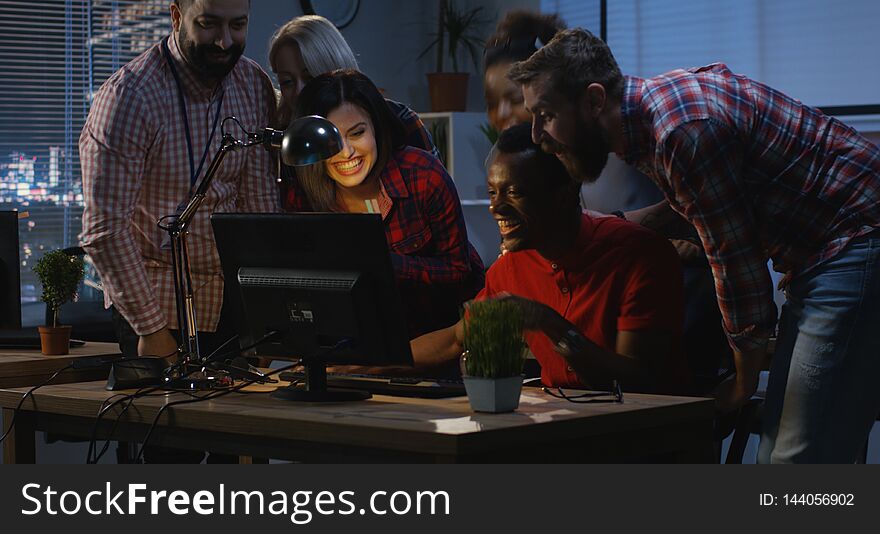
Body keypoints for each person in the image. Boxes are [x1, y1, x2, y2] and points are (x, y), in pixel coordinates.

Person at [508, 28, 880, 463]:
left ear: (593, 101)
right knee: (785, 447)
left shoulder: (679, 134)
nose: (536, 135)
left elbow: (739, 270)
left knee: (794, 460)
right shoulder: (647, 120)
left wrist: (740, 386)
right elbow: (711, 193)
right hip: (829, 248)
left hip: (856, 236)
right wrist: (633, 224)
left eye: (546, 114)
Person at [80, 0, 277, 462]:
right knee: (166, 461)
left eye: (238, 25)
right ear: (175, 16)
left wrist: (266, 318)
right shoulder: (131, 95)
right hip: (153, 300)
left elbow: (260, 207)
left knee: (244, 451)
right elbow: (104, 229)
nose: (224, 41)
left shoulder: (252, 83)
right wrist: (150, 329)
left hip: (231, 302)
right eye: (208, 25)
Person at [484, 10, 726, 382]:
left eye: (518, 99)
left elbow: (699, 213)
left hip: (666, 312)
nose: (505, 115)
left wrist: (640, 232)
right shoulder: (542, 154)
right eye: (492, 101)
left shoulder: (606, 146)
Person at [403, 123, 689, 393]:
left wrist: (549, 323)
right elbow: (455, 339)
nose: (496, 207)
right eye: (492, 192)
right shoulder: (507, 270)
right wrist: (366, 365)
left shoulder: (639, 256)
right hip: (557, 430)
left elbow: (637, 383)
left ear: (565, 195)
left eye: (514, 192)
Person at [288, 69, 484, 344]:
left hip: (434, 340)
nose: (346, 152)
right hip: (349, 345)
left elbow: (459, 273)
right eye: (333, 140)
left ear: (377, 128)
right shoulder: (303, 193)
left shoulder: (423, 175)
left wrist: (384, 265)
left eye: (357, 133)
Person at [268, 15, 437, 158]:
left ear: (334, 68)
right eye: (287, 82)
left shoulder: (398, 122)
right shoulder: (285, 139)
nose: (299, 92)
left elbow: (438, 189)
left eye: (310, 77)